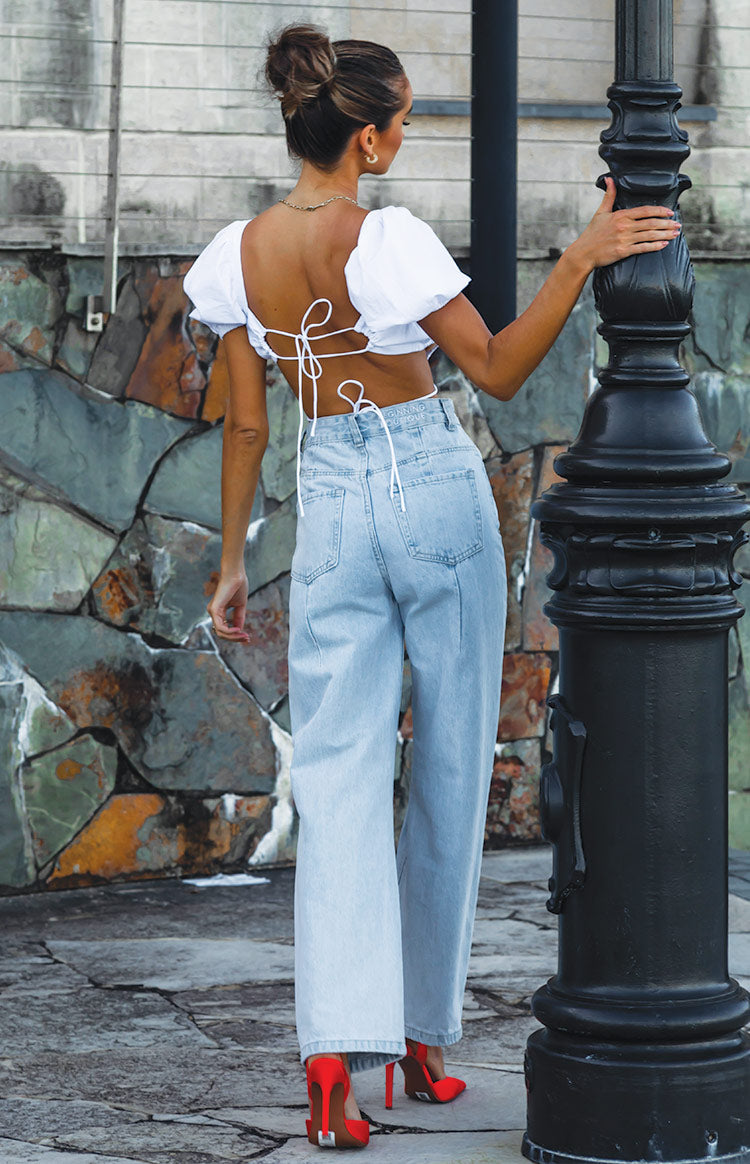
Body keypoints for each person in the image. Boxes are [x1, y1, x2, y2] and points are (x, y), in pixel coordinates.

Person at [183, 23, 680, 1151]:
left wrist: (232, 559)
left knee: (340, 779)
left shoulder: (236, 255)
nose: (403, 139)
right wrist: (580, 257)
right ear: (365, 137)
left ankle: (331, 1061)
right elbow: (496, 369)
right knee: (449, 763)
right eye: (402, 122)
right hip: (428, 486)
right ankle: (417, 1038)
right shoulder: (388, 236)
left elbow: (248, 425)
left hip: (328, 501)